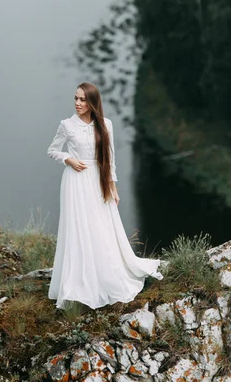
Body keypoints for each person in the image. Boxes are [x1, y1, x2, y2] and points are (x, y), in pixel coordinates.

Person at [47, 81, 163, 310]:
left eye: (83, 99)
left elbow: (108, 158)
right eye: (76, 98)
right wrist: (67, 159)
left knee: (101, 226)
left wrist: (112, 186)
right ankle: (77, 281)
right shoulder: (66, 125)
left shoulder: (105, 124)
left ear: (92, 102)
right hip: (75, 182)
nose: (78, 103)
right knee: (79, 227)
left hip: (97, 180)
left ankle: (105, 273)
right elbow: (52, 150)